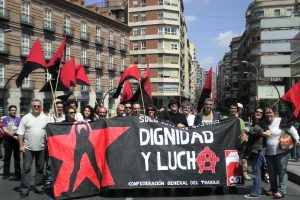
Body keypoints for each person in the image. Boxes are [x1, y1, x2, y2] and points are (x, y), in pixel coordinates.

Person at [264, 107, 300, 198]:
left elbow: (291, 129)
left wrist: (297, 139)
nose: (268, 114)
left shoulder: (280, 121)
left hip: (282, 151)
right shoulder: (264, 123)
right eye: (267, 113)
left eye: (270, 112)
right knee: (271, 172)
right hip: (269, 152)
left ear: (274, 113)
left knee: (282, 171)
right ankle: (273, 189)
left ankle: (281, 191)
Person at [17, 99, 49, 198]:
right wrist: (21, 145)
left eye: (38, 106)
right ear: (31, 107)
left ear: (41, 107)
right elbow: (20, 133)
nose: (36, 108)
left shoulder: (45, 118)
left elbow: (50, 131)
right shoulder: (26, 118)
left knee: (40, 169)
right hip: (28, 148)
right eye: (34, 106)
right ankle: (24, 189)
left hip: (42, 148)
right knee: (26, 169)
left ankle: (38, 187)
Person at [244, 108, 271, 199]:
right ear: (254, 113)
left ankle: (255, 193)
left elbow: (268, 134)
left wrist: (257, 131)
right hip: (253, 150)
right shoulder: (254, 123)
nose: (258, 113)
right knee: (257, 172)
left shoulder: (262, 123)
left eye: (260, 112)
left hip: (259, 150)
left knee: (256, 172)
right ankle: (257, 191)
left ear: (262, 114)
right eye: (257, 112)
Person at [2, 105, 21, 180]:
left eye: (15, 110)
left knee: (17, 158)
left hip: (16, 140)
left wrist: (14, 132)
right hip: (7, 141)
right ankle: (6, 174)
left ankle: (18, 174)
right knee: (7, 157)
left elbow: (20, 128)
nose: (14, 111)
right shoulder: (5, 119)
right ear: (9, 111)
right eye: (12, 110)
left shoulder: (19, 119)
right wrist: (10, 133)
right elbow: (4, 128)